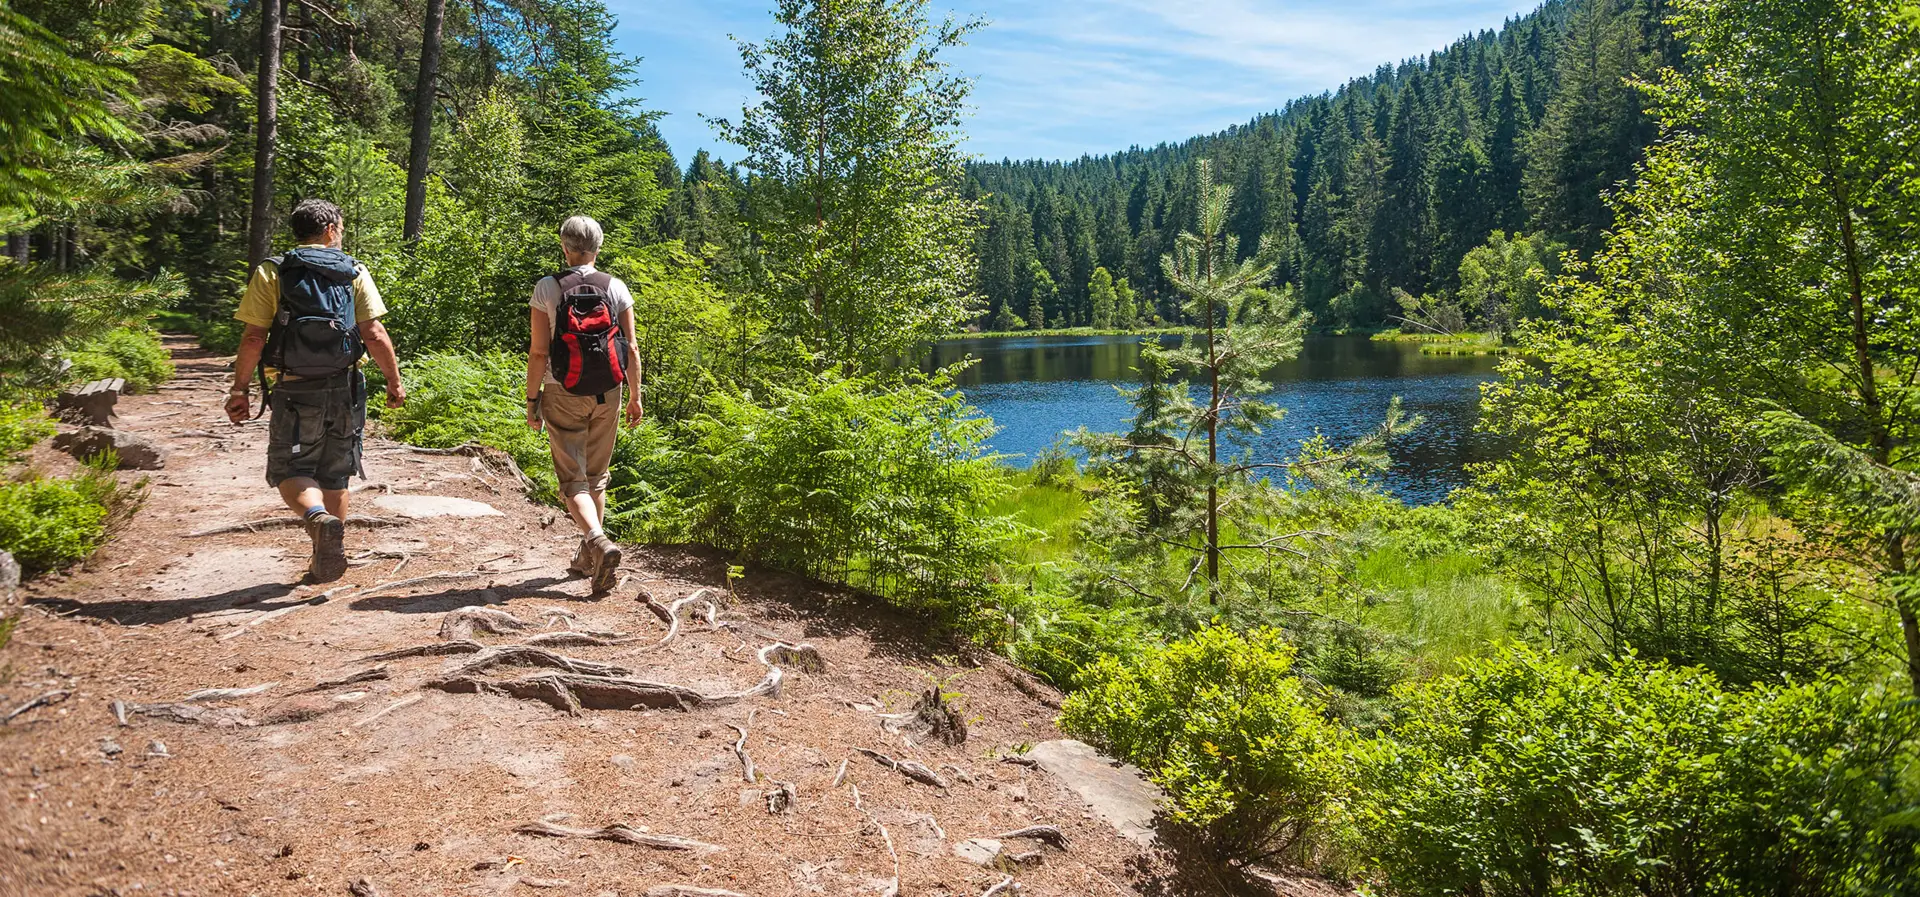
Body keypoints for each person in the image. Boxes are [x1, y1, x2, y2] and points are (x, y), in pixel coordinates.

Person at [225, 199, 406, 582]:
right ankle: (328, 555)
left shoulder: (273, 272)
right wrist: (393, 380)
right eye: (339, 227)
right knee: (336, 472)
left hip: (293, 386)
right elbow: (373, 333)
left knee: (290, 468)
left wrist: (240, 390)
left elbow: (255, 336)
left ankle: (317, 519)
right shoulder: (353, 270)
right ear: (329, 230)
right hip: (346, 386)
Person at [526, 215, 643, 594]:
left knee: (572, 480)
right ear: (598, 247)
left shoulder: (548, 287)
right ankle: (589, 558)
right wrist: (635, 397)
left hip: (563, 390)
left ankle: (596, 540)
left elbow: (539, 351)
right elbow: (632, 349)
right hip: (609, 391)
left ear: (564, 247)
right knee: (597, 476)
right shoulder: (616, 287)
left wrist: (532, 400)